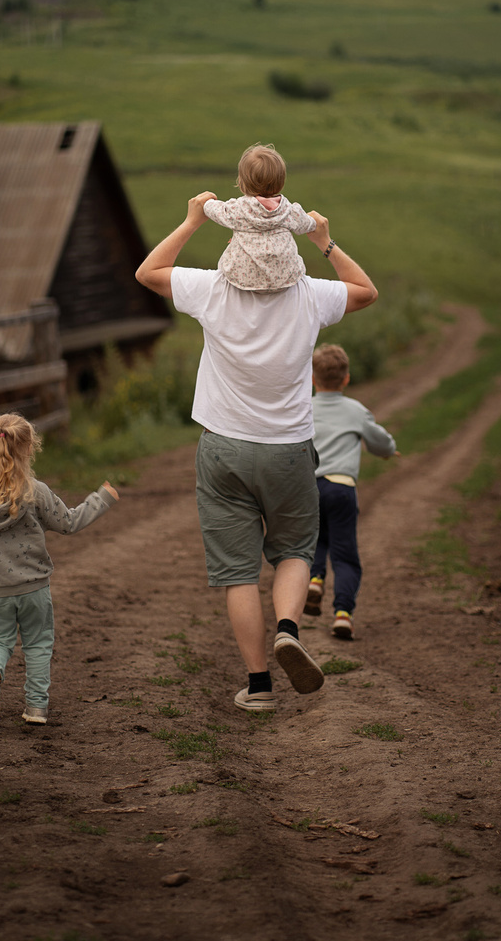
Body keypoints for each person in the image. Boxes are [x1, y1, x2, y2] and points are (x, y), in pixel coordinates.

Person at [136, 186, 377, 712]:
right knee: (295, 551)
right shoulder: (309, 294)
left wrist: (193, 220)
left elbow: (148, 273)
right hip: (289, 449)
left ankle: (260, 684)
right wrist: (325, 241)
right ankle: (288, 629)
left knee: (238, 573)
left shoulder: (210, 289)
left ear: (236, 242)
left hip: (223, 448)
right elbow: (365, 290)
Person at [0, 414, 118, 726]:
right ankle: (36, 708)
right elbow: (69, 522)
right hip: (34, 589)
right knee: (37, 644)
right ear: (28, 449)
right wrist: (101, 498)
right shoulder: (35, 491)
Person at [304, 343, 396, 640]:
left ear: (312, 379)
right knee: (345, 555)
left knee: (315, 541)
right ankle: (343, 614)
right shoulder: (355, 410)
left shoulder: (304, 407)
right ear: (346, 379)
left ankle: (314, 579)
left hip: (309, 489)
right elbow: (380, 442)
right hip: (342, 489)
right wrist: (388, 451)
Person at [203, 143, 317, 292]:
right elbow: (309, 225)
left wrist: (207, 201)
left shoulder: (238, 209)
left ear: (241, 182)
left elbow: (213, 210)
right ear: (281, 182)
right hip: (285, 280)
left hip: (242, 279)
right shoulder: (290, 211)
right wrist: (312, 219)